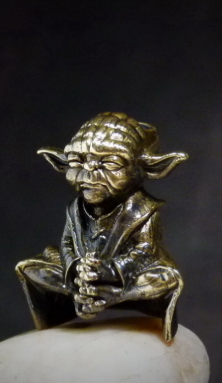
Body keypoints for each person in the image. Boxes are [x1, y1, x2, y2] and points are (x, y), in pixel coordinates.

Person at [16, 112, 188, 341]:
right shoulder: (75, 208)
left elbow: (146, 251)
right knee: (30, 268)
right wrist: (76, 268)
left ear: (145, 168)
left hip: (124, 280)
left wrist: (110, 271)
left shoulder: (144, 209)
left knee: (166, 279)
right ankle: (82, 294)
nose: (88, 175)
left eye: (110, 163)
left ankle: (107, 296)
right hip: (80, 275)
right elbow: (67, 242)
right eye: (77, 162)